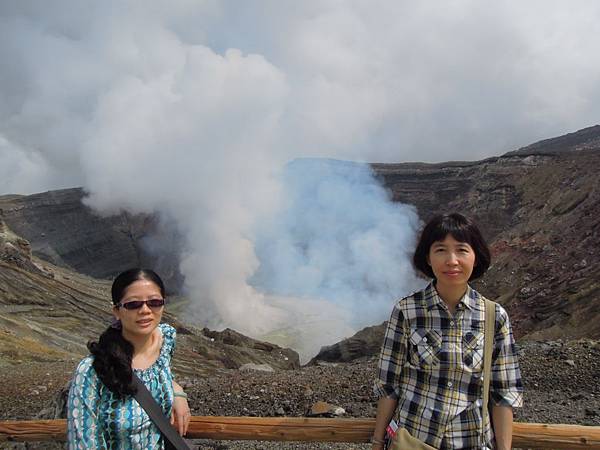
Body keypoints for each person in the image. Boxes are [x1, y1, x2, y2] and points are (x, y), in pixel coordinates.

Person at [372, 213, 523, 450]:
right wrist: (378, 441)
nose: (451, 260)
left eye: (462, 250)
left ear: (475, 256)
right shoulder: (407, 311)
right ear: (428, 258)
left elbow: (503, 393)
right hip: (413, 441)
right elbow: (389, 385)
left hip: (471, 442)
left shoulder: (494, 316)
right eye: (441, 250)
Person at [67, 268, 191, 449]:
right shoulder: (91, 372)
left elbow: (161, 371)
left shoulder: (165, 339)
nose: (145, 310)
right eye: (133, 304)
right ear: (116, 310)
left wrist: (178, 392)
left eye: (154, 302)